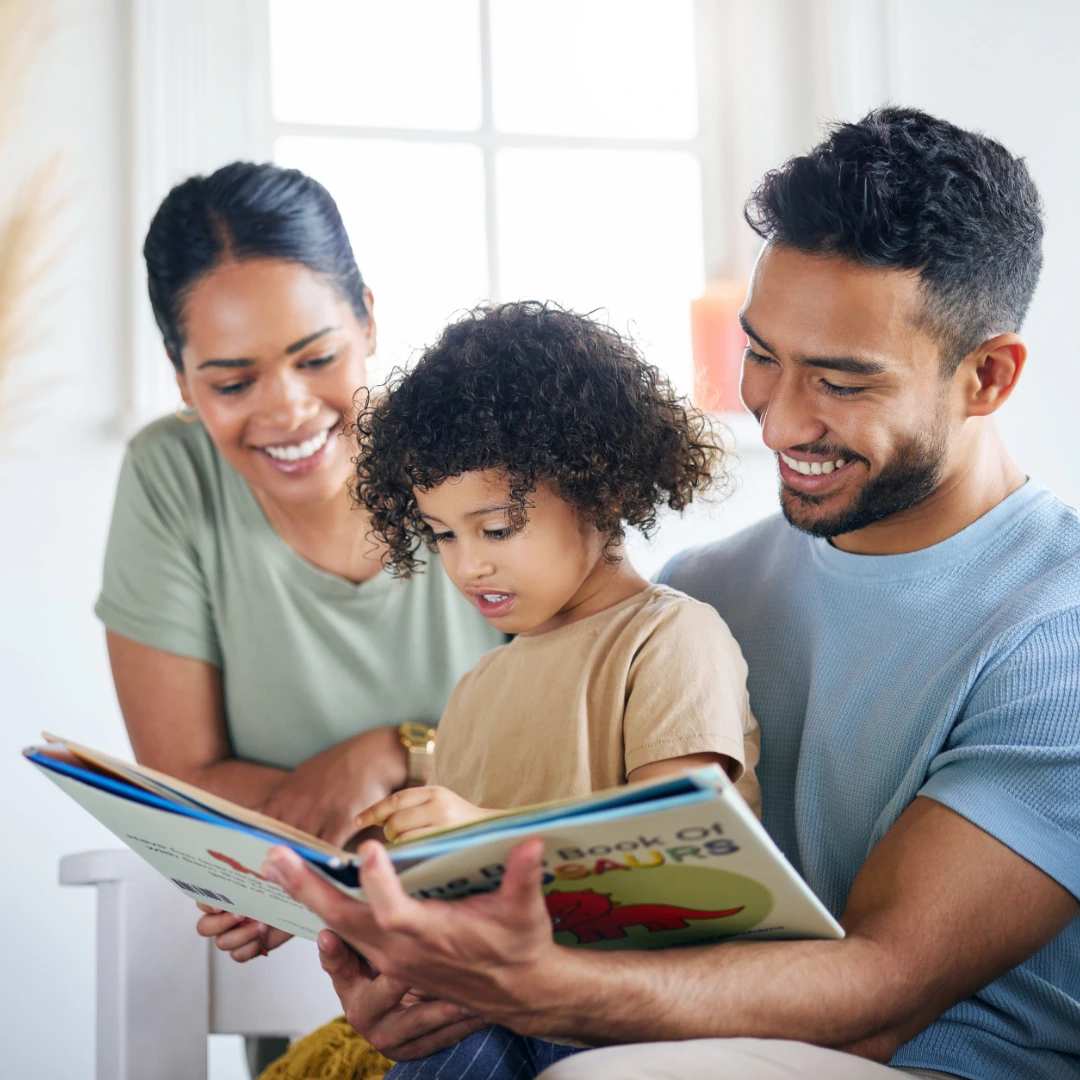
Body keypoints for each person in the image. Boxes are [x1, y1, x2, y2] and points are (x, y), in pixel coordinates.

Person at [257, 108, 1080, 1080]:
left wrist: (542, 990)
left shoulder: (1053, 633)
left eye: (843, 382)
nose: (777, 419)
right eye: (763, 354)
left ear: (986, 375)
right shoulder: (701, 590)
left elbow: (879, 996)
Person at [95, 161, 504, 1073]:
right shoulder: (173, 479)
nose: (286, 409)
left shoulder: (482, 457)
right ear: (181, 378)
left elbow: (584, 749)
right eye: (231, 380)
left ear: (367, 317)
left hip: (514, 972)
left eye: (317, 358)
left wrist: (392, 754)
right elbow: (188, 793)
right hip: (319, 1000)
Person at [348, 300, 759, 1076]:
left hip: (640, 1007)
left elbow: (683, 856)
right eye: (440, 534)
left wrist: (480, 831)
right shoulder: (477, 688)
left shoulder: (669, 637)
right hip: (502, 1001)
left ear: (599, 489)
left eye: (497, 528)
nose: (467, 565)